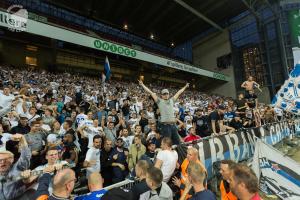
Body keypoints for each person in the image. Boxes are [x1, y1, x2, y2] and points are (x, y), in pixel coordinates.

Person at [139, 80, 189, 145]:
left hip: (173, 125)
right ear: (161, 95)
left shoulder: (172, 100)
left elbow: (179, 92)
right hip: (165, 126)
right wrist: (142, 85)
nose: (165, 95)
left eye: (167, 93)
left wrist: (185, 87)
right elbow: (150, 92)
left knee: (177, 143)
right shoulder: (159, 101)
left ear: (169, 94)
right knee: (167, 144)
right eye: (164, 94)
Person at [0, 134, 31, 200]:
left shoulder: (18, 168)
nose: (2, 162)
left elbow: (25, 156)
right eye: (0, 160)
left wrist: (22, 140)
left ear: (12, 159)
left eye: (6, 159)